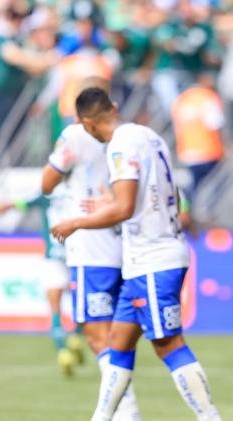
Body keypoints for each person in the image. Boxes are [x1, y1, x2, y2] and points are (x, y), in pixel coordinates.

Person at [51, 87, 220, 421]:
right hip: (142, 259)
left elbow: (125, 207)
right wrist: (107, 203)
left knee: (168, 345)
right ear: (112, 108)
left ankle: (211, 418)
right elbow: (154, 193)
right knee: (118, 343)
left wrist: (77, 222)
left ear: (86, 123)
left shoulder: (120, 146)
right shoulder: (149, 136)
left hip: (153, 257)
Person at [41, 78, 141, 420]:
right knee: (113, 330)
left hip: (89, 243)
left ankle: (126, 411)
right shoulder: (130, 134)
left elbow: (46, 182)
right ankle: (122, 409)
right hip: (121, 238)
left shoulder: (74, 136)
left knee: (97, 333)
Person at [0, 189, 81, 376]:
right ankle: (76, 336)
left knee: (55, 309)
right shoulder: (78, 192)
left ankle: (63, 351)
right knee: (81, 304)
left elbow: (9, 206)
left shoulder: (45, 196)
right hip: (78, 256)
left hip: (53, 258)